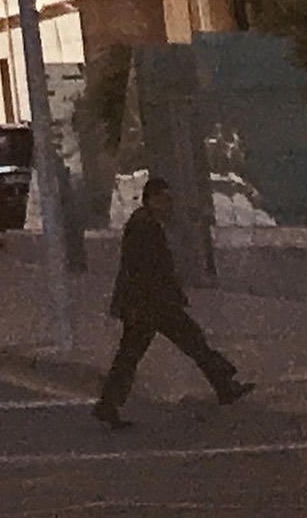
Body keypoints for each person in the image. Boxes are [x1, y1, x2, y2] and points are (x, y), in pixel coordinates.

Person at [91, 173, 249, 428]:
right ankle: (224, 385)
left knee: (143, 353)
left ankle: (224, 385)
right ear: (151, 199)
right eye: (164, 199)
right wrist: (140, 303)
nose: (169, 204)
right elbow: (140, 269)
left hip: (151, 304)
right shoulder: (145, 226)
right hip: (151, 305)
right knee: (189, 342)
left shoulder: (145, 223)